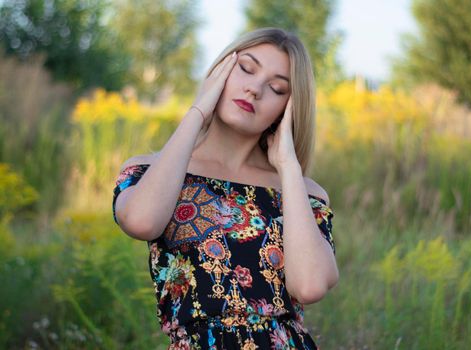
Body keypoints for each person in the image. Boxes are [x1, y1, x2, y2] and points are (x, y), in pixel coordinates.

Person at [112, 27, 338, 349]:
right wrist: (198, 111)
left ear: (287, 108)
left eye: (276, 88)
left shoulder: (304, 193)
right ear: (221, 70)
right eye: (246, 68)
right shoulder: (151, 171)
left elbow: (311, 286)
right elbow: (140, 221)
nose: (255, 89)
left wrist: (288, 167)